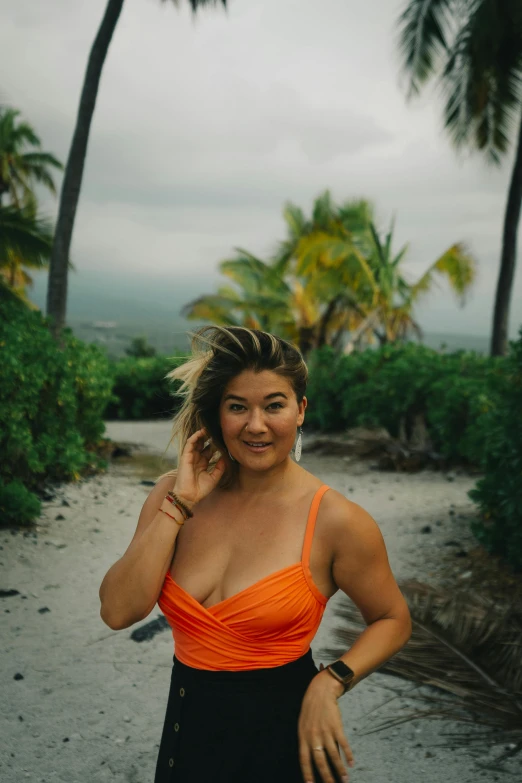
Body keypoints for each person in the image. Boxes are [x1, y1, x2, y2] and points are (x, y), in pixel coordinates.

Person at [99, 325, 412, 783]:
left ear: (300, 410)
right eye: (237, 407)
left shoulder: (336, 520)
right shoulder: (173, 498)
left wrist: (331, 681)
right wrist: (180, 504)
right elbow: (117, 611)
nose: (256, 425)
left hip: (287, 748)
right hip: (188, 743)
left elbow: (393, 619)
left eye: (274, 405)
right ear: (218, 416)